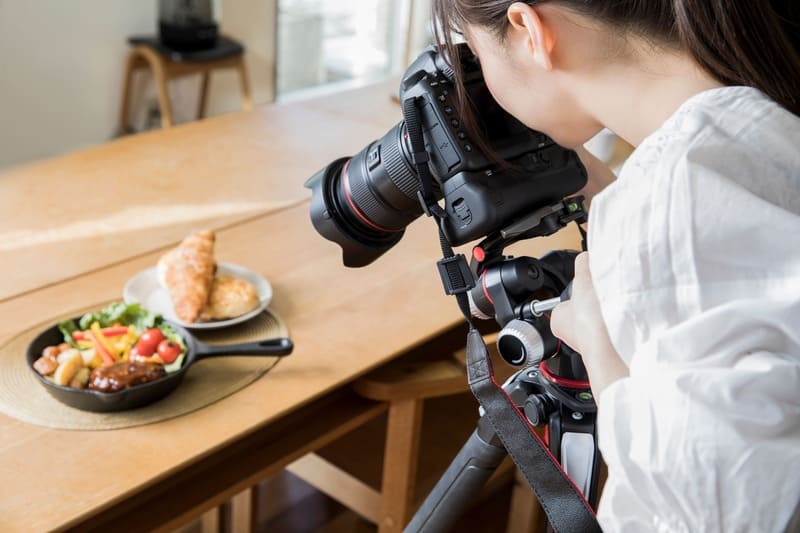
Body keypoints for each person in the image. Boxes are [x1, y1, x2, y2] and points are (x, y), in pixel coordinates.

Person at [431, 0, 800, 531]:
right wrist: (613, 191)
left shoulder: (674, 199)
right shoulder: (753, 123)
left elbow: (711, 515)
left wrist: (601, 352)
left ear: (528, 29)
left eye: (479, 57)